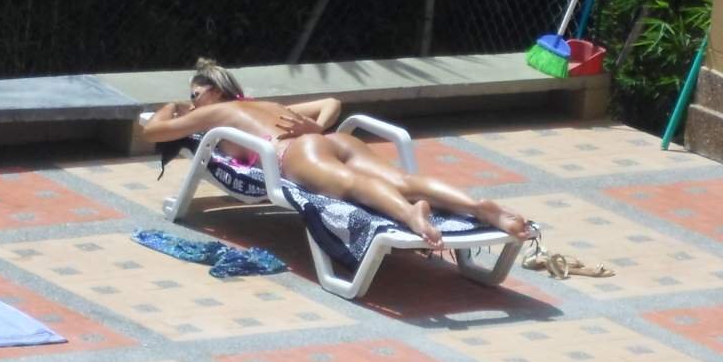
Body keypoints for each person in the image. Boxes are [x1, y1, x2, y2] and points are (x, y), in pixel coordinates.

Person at [143, 58, 533, 247]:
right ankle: (481, 208)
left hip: (294, 152)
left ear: (214, 91)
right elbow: (332, 102)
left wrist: (173, 108)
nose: (192, 102)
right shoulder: (266, 106)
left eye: (195, 93)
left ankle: (409, 215)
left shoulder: (216, 113)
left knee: (350, 185)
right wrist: (316, 128)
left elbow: (152, 131)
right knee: (403, 179)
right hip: (330, 140)